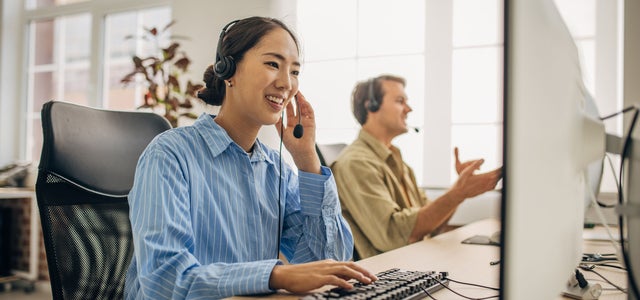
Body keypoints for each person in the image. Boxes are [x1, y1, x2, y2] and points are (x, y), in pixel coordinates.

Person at [124, 17, 377, 299]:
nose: (286, 83)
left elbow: (328, 262)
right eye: (273, 64)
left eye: (294, 71)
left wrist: (307, 160)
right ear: (228, 70)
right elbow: (164, 280)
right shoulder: (170, 156)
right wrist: (275, 275)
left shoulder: (275, 170)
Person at [331, 74, 502, 259]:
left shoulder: (397, 161)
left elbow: (431, 225)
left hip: (414, 263)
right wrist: (458, 193)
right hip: (388, 275)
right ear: (371, 105)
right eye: (400, 101)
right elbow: (394, 236)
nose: (409, 109)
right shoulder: (356, 163)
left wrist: (459, 192)